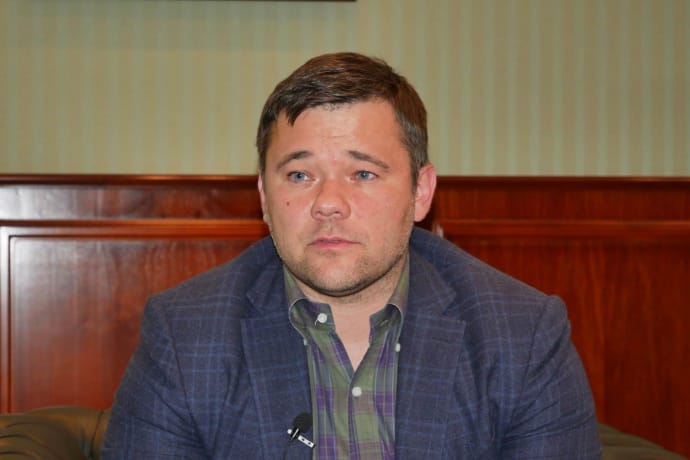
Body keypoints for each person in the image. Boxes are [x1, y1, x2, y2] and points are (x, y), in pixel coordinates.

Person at [102, 52, 601, 459]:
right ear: (264, 196)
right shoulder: (185, 337)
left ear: (420, 191)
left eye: (363, 174)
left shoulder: (521, 336)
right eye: (300, 175)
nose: (328, 203)